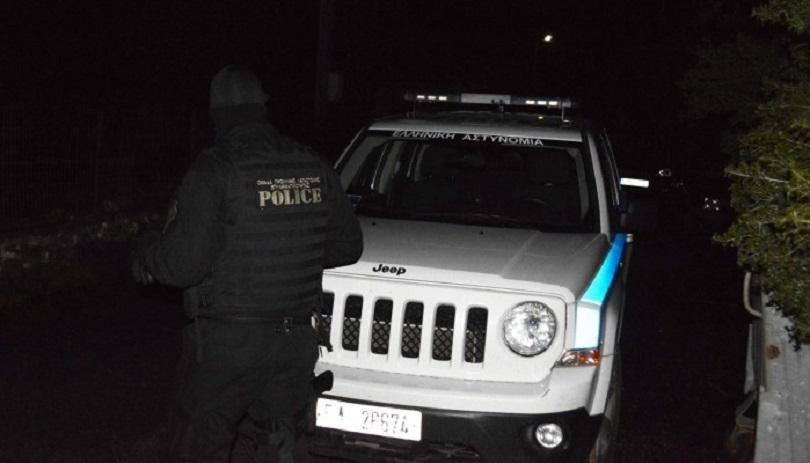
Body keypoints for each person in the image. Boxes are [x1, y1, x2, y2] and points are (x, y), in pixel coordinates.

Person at [131, 64, 363, 462]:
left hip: (227, 347)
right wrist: (287, 248)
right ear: (262, 106)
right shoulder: (312, 165)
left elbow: (183, 266)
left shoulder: (215, 168)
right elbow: (347, 246)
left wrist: (147, 252)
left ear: (216, 112)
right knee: (278, 447)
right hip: (293, 343)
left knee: (197, 445)